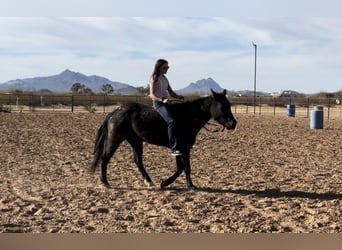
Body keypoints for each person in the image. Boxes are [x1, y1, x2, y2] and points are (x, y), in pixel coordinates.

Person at [149, 59, 184, 156]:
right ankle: (173, 148)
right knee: (171, 121)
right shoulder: (154, 78)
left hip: (167, 102)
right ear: (159, 67)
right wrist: (162, 100)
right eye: (164, 67)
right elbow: (151, 95)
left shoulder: (164, 78)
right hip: (159, 104)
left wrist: (178, 97)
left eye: (167, 67)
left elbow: (170, 91)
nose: (167, 69)